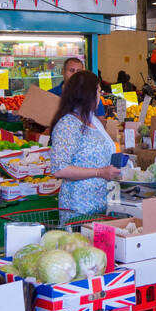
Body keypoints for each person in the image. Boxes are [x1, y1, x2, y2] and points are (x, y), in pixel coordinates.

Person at [49, 70, 121, 219]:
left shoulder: (93, 120)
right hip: (79, 209)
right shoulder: (67, 125)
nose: (100, 96)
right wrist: (99, 172)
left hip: (102, 205)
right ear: (88, 94)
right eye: (99, 92)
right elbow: (59, 169)